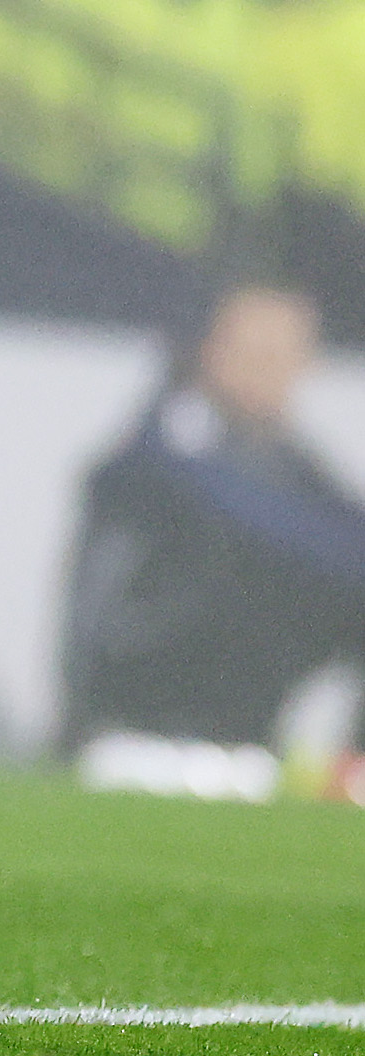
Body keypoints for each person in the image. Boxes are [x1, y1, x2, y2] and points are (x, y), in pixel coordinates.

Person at [63, 285, 365, 766]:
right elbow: (98, 628)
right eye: (253, 354)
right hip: (135, 741)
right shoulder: (152, 463)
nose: (265, 372)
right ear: (211, 351)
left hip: (247, 750)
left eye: (282, 357)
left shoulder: (304, 476)